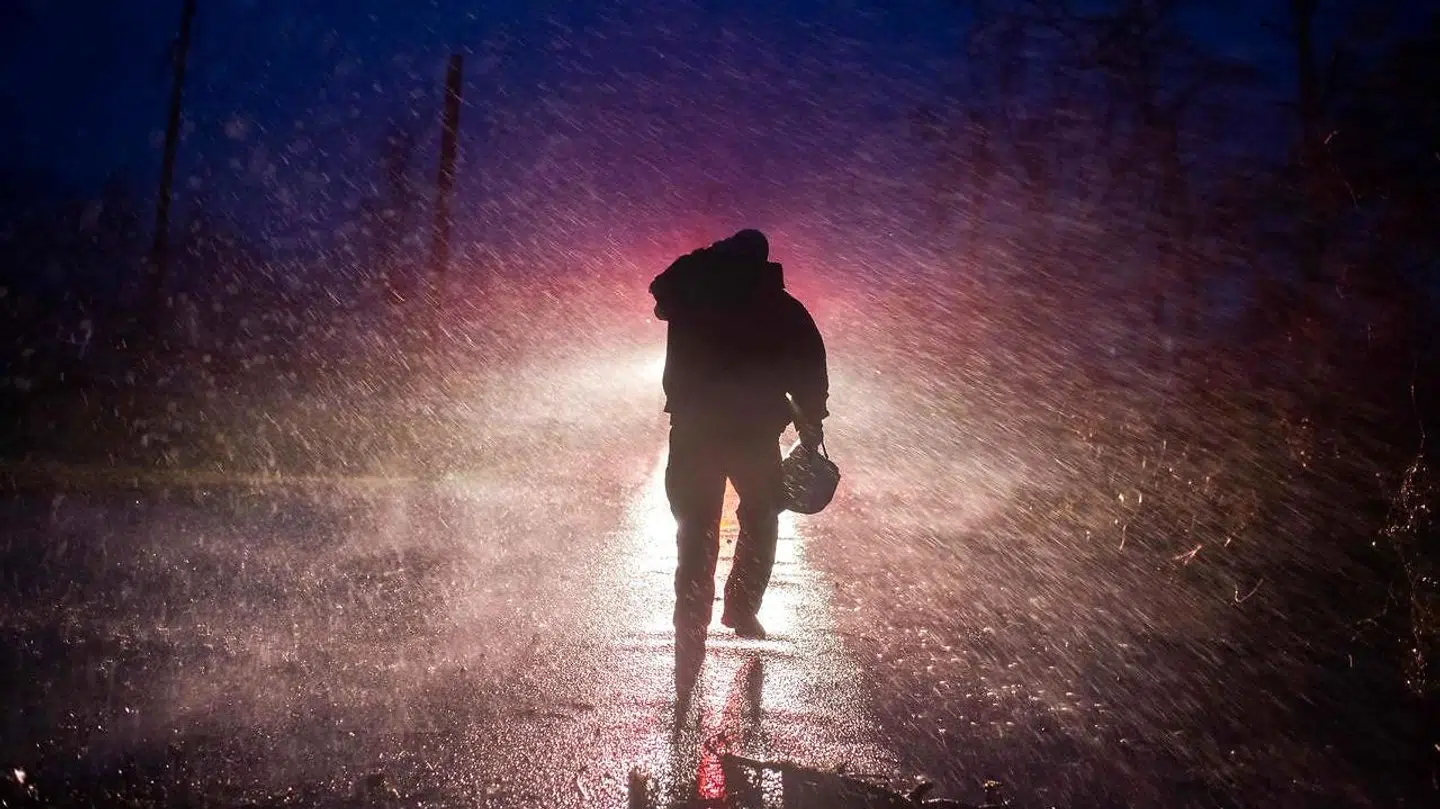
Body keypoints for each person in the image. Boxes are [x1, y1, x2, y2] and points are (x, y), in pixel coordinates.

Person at [650, 228, 829, 648]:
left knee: (695, 524)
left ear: (722, 254)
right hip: (755, 433)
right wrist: (812, 422)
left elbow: (661, 291)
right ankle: (742, 607)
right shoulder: (780, 307)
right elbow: (809, 367)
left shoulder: (691, 297)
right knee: (761, 520)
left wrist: (703, 255)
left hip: (695, 431)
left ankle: (692, 614)